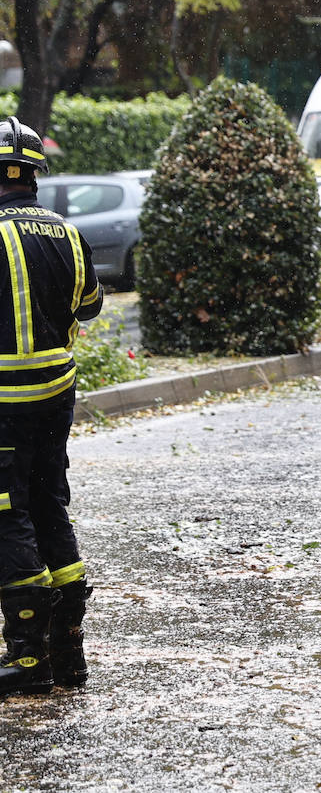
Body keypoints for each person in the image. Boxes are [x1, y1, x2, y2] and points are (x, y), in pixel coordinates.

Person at [0, 116, 103, 696]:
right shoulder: (66, 232)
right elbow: (89, 306)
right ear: (34, 175)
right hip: (54, 398)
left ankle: (27, 653)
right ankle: (68, 650)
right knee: (47, 502)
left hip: (3, 402)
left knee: (5, 513)